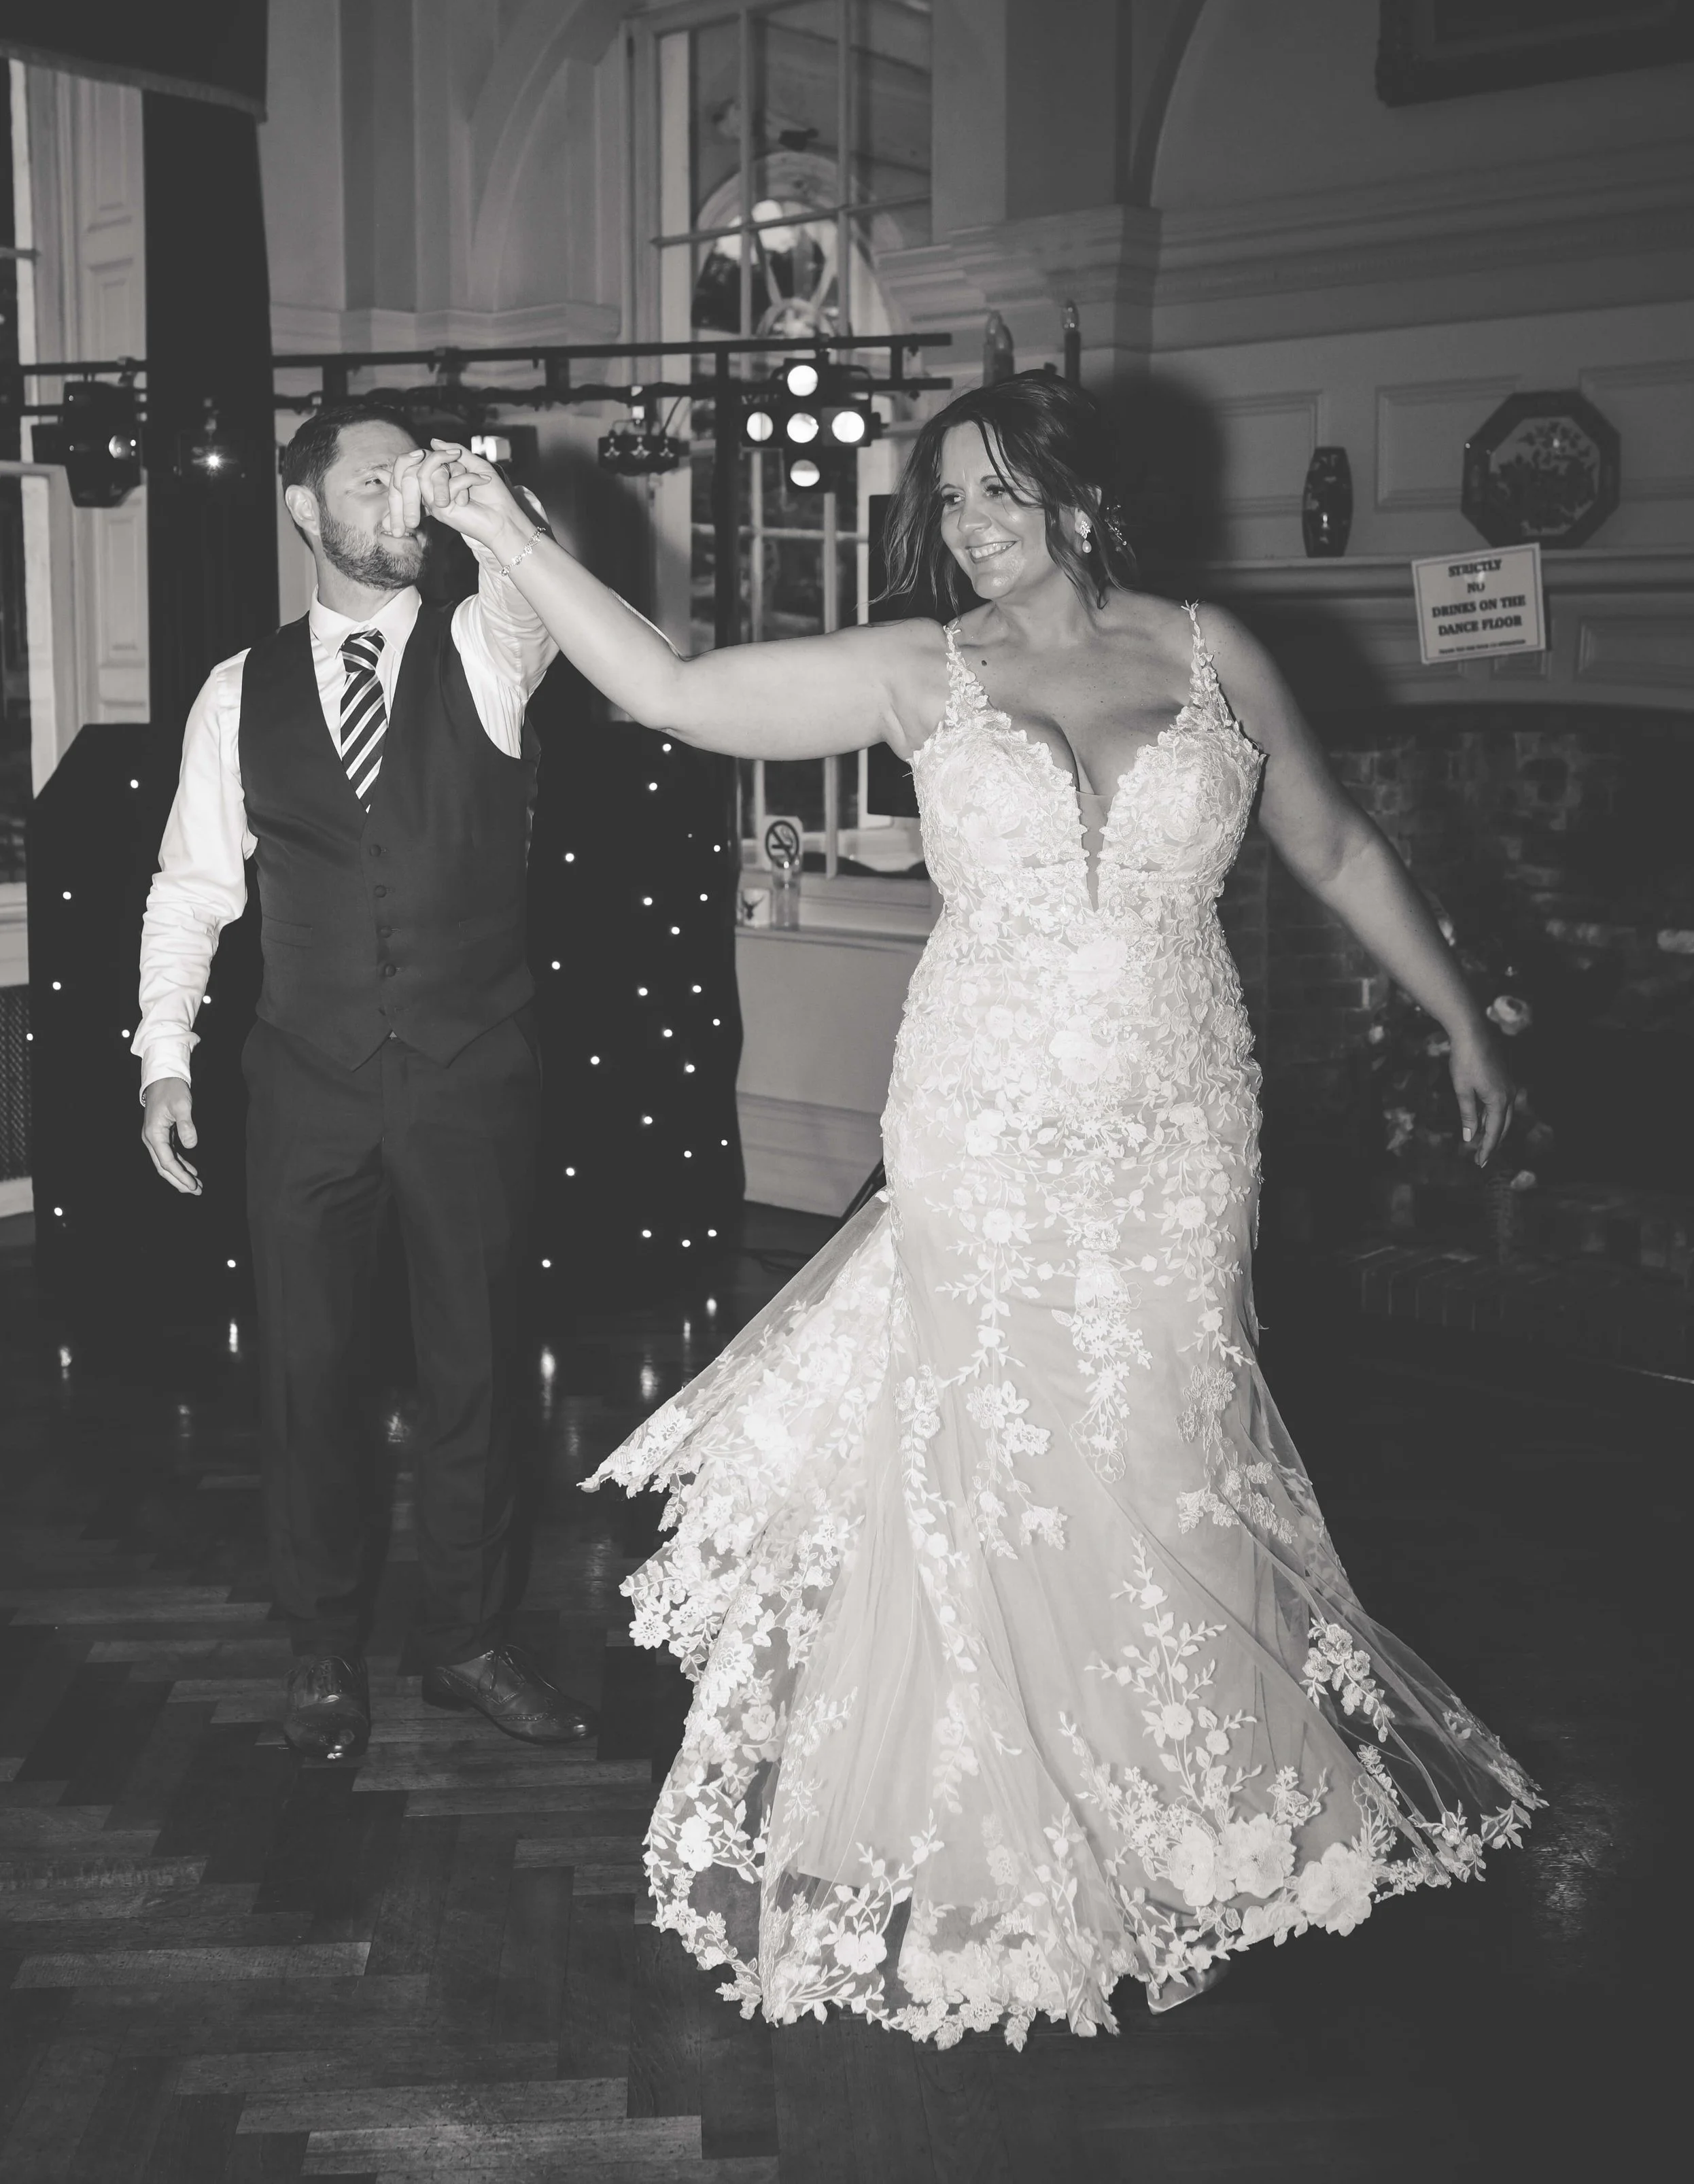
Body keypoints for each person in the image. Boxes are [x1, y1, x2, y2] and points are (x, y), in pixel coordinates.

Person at [415, 373, 1541, 2045]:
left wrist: (1457, 1018)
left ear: (1081, 499)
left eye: (998, 492)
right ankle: (981, 1826)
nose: (968, 528)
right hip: (983, 1118)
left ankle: (1171, 1804)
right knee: (989, 1451)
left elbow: (1331, 842)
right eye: (945, 503)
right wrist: (506, 527)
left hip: (1177, 1119)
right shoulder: (913, 668)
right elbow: (661, 687)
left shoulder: (1211, 652)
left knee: (1166, 1434)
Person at [136, 402, 595, 1762]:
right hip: (306, 1081)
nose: (399, 503)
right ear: (303, 508)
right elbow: (192, 888)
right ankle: (324, 1645)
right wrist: (165, 1055)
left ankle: (463, 1640)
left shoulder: (483, 644)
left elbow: (549, 600)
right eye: (375, 481)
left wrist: (480, 505)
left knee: (477, 1373)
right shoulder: (238, 691)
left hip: (469, 1079)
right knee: (310, 1375)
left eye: (415, 479)